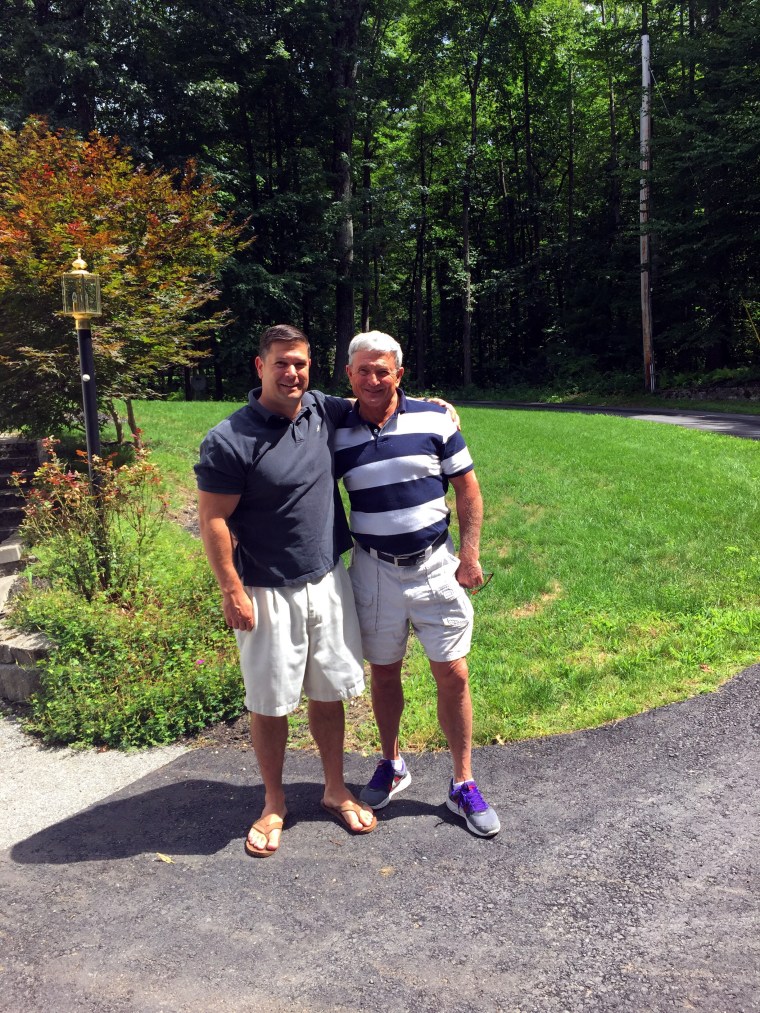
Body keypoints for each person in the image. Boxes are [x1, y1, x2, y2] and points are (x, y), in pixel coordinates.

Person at [195, 324, 377, 857]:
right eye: (281, 363)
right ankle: (273, 801)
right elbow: (212, 520)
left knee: (328, 691)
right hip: (264, 587)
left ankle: (334, 788)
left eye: (299, 363)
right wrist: (231, 590)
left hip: (327, 577)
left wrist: (434, 407)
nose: (292, 372)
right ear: (260, 367)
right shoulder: (229, 439)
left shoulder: (320, 409)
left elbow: (372, 399)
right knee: (270, 701)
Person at [335, 330, 500, 838]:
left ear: (399, 374)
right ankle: (391, 763)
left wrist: (469, 557)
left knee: (453, 673)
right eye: (363, 371)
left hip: (434, 565)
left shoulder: (434, 418)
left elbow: (467, 488)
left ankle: (463, 782)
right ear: (349, 375)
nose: (373, 380)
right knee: (384, 673)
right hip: (372, 569)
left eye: (382, 371)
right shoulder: (335, 429)